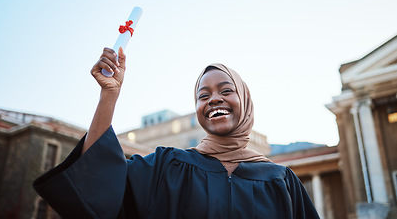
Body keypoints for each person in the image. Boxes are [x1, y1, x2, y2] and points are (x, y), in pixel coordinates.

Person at [33, 47, 320, 219]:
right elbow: (96, 186)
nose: (214, 99)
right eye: (203, 95)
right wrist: (109, 95)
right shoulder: (167, 167)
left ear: (245, 102)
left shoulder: (281, 181)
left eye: (226, 90)